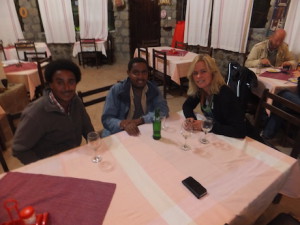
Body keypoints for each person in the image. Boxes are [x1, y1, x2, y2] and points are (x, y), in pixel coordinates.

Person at [12, 59, 94, 164]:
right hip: (51, 165)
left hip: (74, 158)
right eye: (60, 82)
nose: (67, 88)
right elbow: (18, 149)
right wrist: (43, 168)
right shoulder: (36, 113)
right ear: (50, 84)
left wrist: (94, 144)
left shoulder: (75, 101)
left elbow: (88, 128)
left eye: (71, 82)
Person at [101, 57, 169, 137]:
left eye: (144, 72)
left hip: (142, 130)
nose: (141, 77)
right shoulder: (117, 90)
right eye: (136, 73)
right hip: (119, 132)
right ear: (128, 73)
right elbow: (107, 119)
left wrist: (141, 120)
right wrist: (123, 124)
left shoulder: (153, 89)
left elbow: (163, 110)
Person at [182, 54, 246, 138]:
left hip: (245, 141)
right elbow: (187, 105)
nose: (198, 76)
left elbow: (239, 131)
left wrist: (205, 125)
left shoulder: (225, 94)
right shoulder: (201, 89)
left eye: (203, 71)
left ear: (213, 72)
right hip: (222, 137)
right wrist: (191, 118)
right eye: (195, 73)